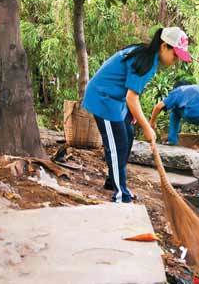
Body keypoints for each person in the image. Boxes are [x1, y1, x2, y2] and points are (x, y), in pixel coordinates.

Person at [82, 27, 192, 203]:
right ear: (164, 46)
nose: (176, 60)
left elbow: (128, 92)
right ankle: (120, 195)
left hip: (116, 100)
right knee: (117, 146)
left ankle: (113, 181)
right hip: (104, 99)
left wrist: (131, 114)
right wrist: (147, 127)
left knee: (128, 135)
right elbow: (132, 98)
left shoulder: (148, 56)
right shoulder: (146, 61)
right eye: (176, 55)